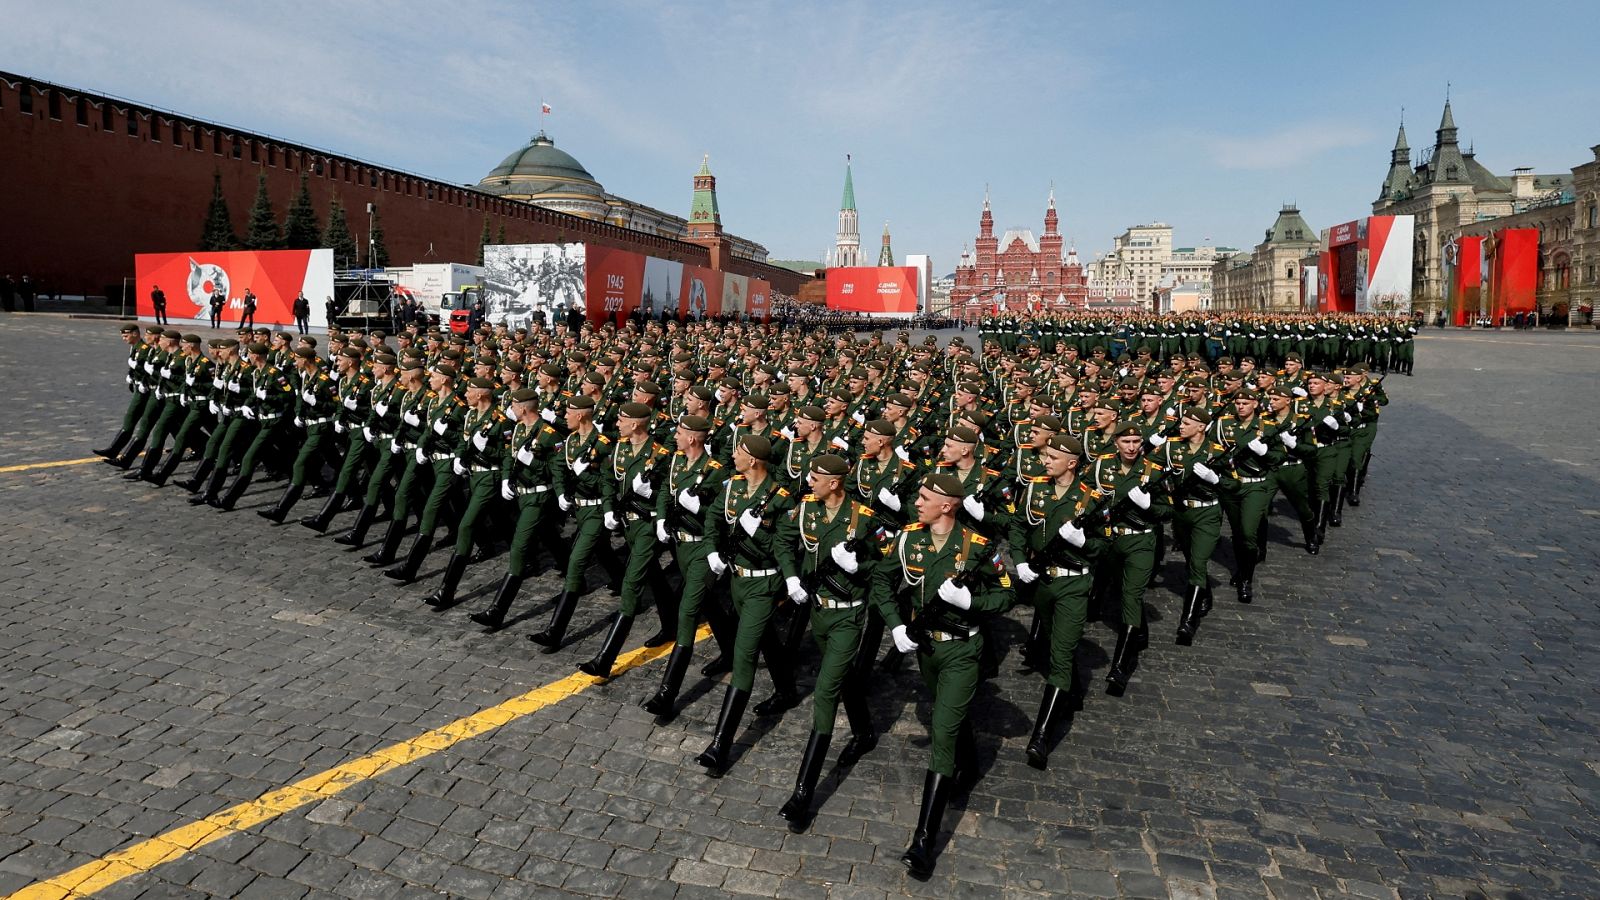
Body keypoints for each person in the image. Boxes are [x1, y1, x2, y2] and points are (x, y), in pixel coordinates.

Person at [869, 473, 1013, 877]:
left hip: (962, 651)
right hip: (926, 649)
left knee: (942, 730)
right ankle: (967, 763)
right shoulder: (908, 538)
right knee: (950, 715)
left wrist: (972, 600)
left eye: (925, 496)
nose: (917, 501)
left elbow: (1006, 593)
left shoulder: (978, 547)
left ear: (947, 506)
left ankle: (922, 842)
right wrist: (896, 625)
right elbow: (882, 580)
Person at [772, 453, 883, 831]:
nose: (808, 481)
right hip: (817, 612)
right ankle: (865, 731)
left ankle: (803, 793)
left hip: (849, 616)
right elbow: (783, 542)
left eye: (815, 477)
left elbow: (886, 565)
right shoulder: (806, 510)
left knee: (825, 692)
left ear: (834, 483)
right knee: (842, 674)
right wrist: (790, 577)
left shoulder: (864, 520)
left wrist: (860, 566)